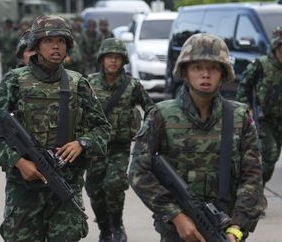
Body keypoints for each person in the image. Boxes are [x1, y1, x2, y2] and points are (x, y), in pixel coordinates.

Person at [0, 15, 111, 241]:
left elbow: (103, 129)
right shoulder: (14, 81)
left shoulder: (77, 83)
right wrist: (19, 163)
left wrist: (82, 143)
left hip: (65, 185)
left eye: (61, 41)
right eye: (49, 41)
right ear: (37, 45)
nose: (56, 46)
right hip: (24, 190)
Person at [128, 33, 266, 242]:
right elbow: (138, 172)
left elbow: (252, 177)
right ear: (184, 72)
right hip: (177, 232)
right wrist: (176, 215)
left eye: (213, 68)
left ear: (223, 73)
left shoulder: (239, 117)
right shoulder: (161, 115)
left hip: (226, 231)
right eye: (197, 68)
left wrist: (236, 228)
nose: (206, 74)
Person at [85, 38, 154, 242]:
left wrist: (145, 133)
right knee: (95, 190)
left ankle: (117, 225)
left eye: (117, 57)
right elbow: (76, 108)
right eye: (109, 57)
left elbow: (151, 109)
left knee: (114, 185)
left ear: (123, 60)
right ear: (102, 60)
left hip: (120, 146)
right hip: (95, 146)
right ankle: (105, 229)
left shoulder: (132, 85)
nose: (113, 61)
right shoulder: (89, 83)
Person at [237, 26, 282, 185]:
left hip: (280, 121)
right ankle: (253, 190)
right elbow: (244, 86)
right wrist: (246, 107)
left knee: (273, 158)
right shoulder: (262, 64)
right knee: (270, 155)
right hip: (264, 119)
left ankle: (255, 188)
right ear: (276, 46)